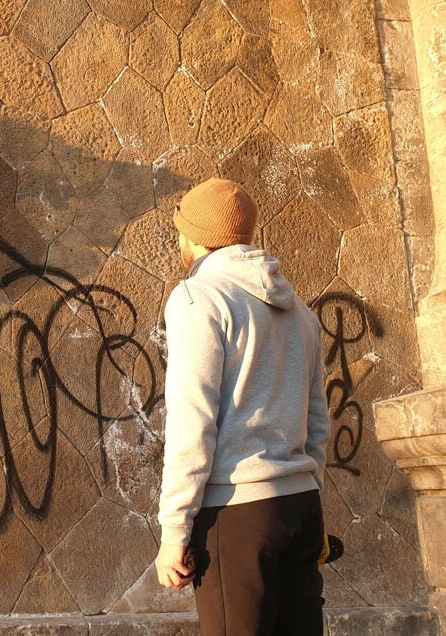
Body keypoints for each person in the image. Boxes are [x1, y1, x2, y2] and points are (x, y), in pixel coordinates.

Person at [154, 178, 330, 635]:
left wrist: (174, 532)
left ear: (196, 236)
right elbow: (317, 422)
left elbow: (193, 423)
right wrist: (309, 487)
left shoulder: (199, 299)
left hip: (237, 512)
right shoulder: (300, 312)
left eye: (181, 230)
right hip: (300, 506)